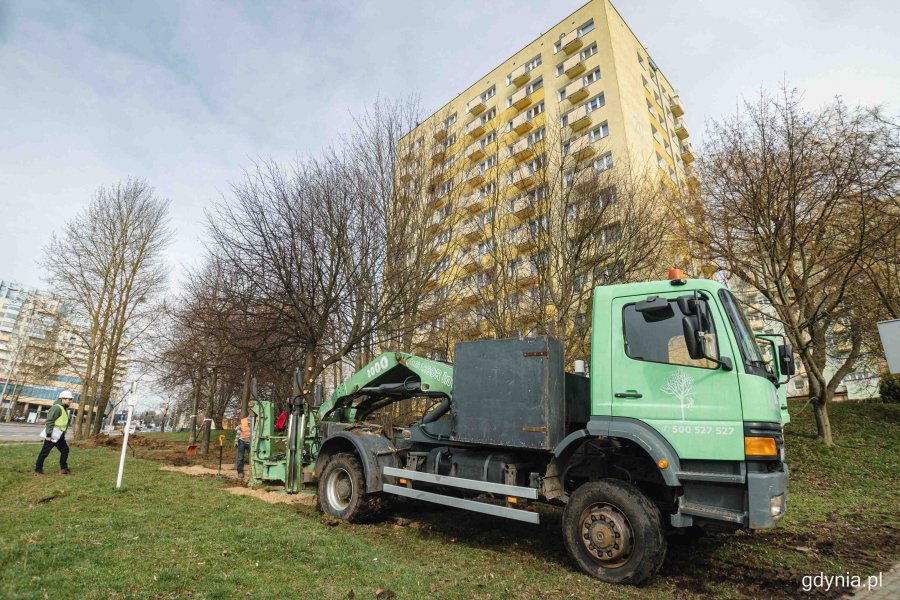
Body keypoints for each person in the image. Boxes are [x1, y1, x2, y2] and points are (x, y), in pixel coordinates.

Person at [34, 389, 73, 476]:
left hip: (59, 435)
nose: (70, 401)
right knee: (45, 452)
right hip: (52, 435)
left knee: (65, 450)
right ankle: (38, 470)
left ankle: (64, 469)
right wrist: (48, 435)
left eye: (71, 399)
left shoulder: (63, 408)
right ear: (62, 399)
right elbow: (49, 421)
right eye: (69, 399)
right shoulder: (57, 408)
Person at [235, 415, 252, 479]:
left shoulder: (257, 421)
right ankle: (240, 472)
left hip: (251, 442)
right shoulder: (244, 422)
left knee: (252, 457)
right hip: (242, 441)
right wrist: (236, 440)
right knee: (240, 457)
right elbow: (238, 430)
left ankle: (253, 471)